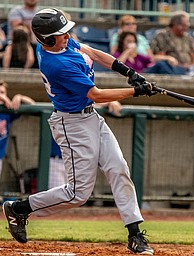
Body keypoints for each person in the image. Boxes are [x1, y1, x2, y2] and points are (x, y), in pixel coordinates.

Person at [2, 8, 155, 255]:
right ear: (46, 39)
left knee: (118, 168)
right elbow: (97, 94)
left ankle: (135, 234)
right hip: (72, 125)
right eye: (61, 33)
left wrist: (129, 73)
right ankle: (19, 208)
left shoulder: (62, 44)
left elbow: (93, 52)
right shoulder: (56, 64)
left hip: (91, 117)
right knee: (77, 194)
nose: (68, 35)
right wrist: (136, 92)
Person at [48, 101, 122, 189]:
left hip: (77, 164)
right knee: (59, 198)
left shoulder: (86, 112)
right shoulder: (60, 107)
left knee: (76, 199)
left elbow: (88, 105)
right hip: (57, 162)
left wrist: (109, 102)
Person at [0, 80, 35, 178]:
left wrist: (19, 97)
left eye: (3, 93)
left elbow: (32, 104)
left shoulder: (7, 112)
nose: (1, 96)